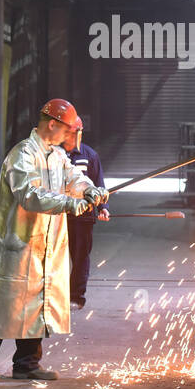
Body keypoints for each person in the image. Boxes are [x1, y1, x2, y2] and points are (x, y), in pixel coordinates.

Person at [0, 98, 109, 381]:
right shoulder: (23, 154)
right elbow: (29, 195)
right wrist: (69, 205)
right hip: (18, 244)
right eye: (68, 130)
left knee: (37, 305)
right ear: (52, 124)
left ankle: (27, 363)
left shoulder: (56, 155)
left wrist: (90, 190)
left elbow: (73, 178)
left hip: (45, 244)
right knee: (3, 304)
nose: (70, 137)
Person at [62, 115, 108, 309]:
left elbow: (98, 184)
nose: (69, 137)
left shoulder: (89, 156)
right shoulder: (54, 155)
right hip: (60, 215)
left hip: (83, 217)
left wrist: (103, 207)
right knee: (57, 258)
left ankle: (76, 296)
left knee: (80, 257)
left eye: (73, 133)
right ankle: (56, 295)